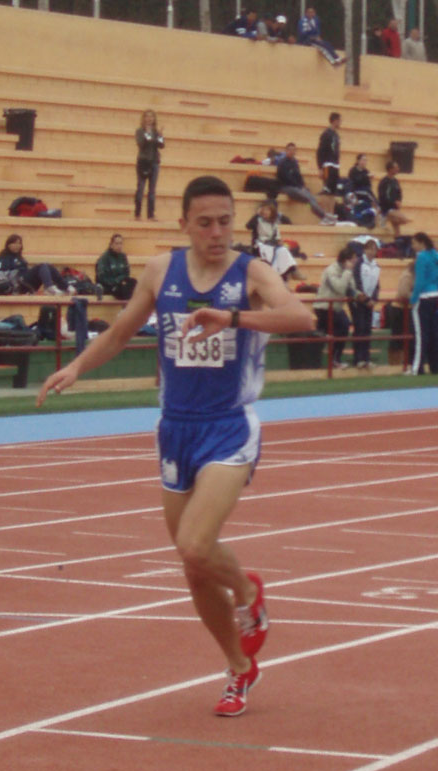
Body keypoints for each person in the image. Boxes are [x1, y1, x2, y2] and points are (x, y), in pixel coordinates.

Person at [36, 175, 313, 717]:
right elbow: (119, 333)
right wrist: (74, 367)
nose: (216, 232)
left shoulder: (250, 272)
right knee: (193, 567)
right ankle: (239, 667)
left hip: (229, 426)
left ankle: (249, 593)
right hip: (175, 428)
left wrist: (228, 317)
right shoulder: (161, 271)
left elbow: (300, 317)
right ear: (183, 223)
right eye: (205, 222)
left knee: (194, 544)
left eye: (226, 221)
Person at [313, 245, 357, 369]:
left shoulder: (348, 271)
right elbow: (340, 288)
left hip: (336, 307)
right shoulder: (331, 270)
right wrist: (348, 272)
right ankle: (325, 360)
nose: (355, 261)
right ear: (346, 260)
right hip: (324, 307)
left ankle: (335, 359)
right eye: (353, 258)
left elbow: (351, 288)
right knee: (339, 328)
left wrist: (358, 295)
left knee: (343, 327)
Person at [0, 234, 71, 295]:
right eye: (14, 243)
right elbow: (3, 272)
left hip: (26, 281)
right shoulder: (4, 257)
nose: (17, 245)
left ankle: (66, 287)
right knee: (42, 266)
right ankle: (49, 288)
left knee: (47, 266)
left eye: (19, 243)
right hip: (18, 282)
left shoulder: (20, 258)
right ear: (8, 245)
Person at [276, 142, 337, 224]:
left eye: (293, 150)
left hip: (296, 187)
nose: (292, 152)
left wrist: (302, 186)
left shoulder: (294, 162)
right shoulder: (282, 163)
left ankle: (323, 217)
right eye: (290, 150)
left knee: (310, 200)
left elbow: (298, 176)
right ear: (286, 151)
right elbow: (286, 178)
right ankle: (324, 216)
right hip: (286, 187)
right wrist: (299, 187)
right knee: (308, 198)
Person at [246, 200, 303, 280]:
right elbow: (248, 226)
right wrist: (257, 215)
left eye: (268, 210)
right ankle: (288, 272)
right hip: (260, 246)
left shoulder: (274, 224)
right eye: (264, 209)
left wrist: (281, 243)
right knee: (275, 253)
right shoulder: (257, 220)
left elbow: (277, 238)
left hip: (272, 245)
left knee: (283, 250)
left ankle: (293, 270)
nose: (266, 212)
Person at [410, 232, 438, 375]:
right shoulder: (435, 255)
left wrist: (413, 298)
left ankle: (417, 367)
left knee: (421, 334)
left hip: (423, 297)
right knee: (434, 333)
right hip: (434, 295)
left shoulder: (421, 257)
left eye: (414, 243)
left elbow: (420, 281)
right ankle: (436, 367)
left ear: (421, 242)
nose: (413, 246)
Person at [350, 239, 380, 368]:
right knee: (360, 328)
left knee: (367, 329)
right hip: (359, 301)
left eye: (374, 249)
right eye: (370, 249)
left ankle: (366, 358)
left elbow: (377, 285)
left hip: (369, 303)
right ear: (365, 250)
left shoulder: (376, 265)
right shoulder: (359, 264)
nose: (372, 252)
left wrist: (373, 299)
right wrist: (365, 299)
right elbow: (357, 282)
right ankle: (358, 358)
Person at [134, 109, 165, 220]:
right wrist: (147, 134)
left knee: (152, 190)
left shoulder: (156, 132)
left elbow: (161, 146)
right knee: (141, 188)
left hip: (154, 163)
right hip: (143, 162)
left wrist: (160, 136)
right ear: (144, 118)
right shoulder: (140, 131)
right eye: (147, 116)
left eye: (151, 116)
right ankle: (137, 214)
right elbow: (141, 144)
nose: (149, 119)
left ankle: (151, 215)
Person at [95, 234, 137, 300]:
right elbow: (101, 277)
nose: (119, 246)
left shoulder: (123, 256)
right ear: (111, 245)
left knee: (134, 282)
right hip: (110, 286)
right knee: (125, 289)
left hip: (120, 283)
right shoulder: (104, 258)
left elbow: (126, 273)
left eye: (121, 243)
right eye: (117, 243)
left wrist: (120, 280)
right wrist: (115, 281)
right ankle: (126, 308)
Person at [378, 161, 411, 236]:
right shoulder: (384, 182)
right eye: (396, 168)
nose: (398, 169)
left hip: (394, 208)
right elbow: (383, 197)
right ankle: (385, 217)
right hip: (387, 208)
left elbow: (399, 193)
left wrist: (399, 201)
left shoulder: (395, 181)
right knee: (404, 219)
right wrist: (393, 202)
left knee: (397, 229)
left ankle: (397, 242)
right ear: (390, 169)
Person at [316, 112, 341, 195]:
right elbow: (320, 151)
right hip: (327, 165)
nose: (340, 123)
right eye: (339, 120)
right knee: (327, 189)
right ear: (334, 121)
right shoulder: (326, 134)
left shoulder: (336, 135)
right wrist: (320, 167)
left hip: (335, 165)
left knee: (334, 191)